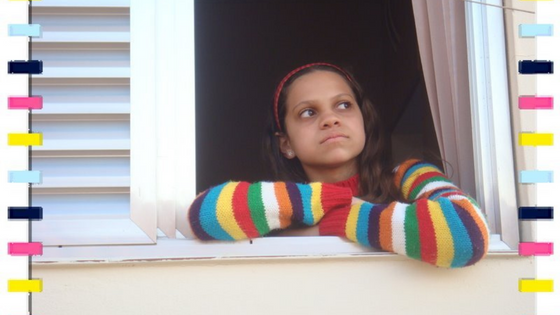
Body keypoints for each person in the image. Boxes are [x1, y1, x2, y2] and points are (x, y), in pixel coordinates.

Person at [188, 62, 490, 268]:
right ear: (286, 144)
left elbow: (467, 234)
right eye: (308, 112)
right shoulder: (278, 205)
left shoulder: (408, 175)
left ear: (363, 120)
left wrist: (336, 222)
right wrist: (324, 199)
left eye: (344, 105)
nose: (331, 119)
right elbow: (204, 215)